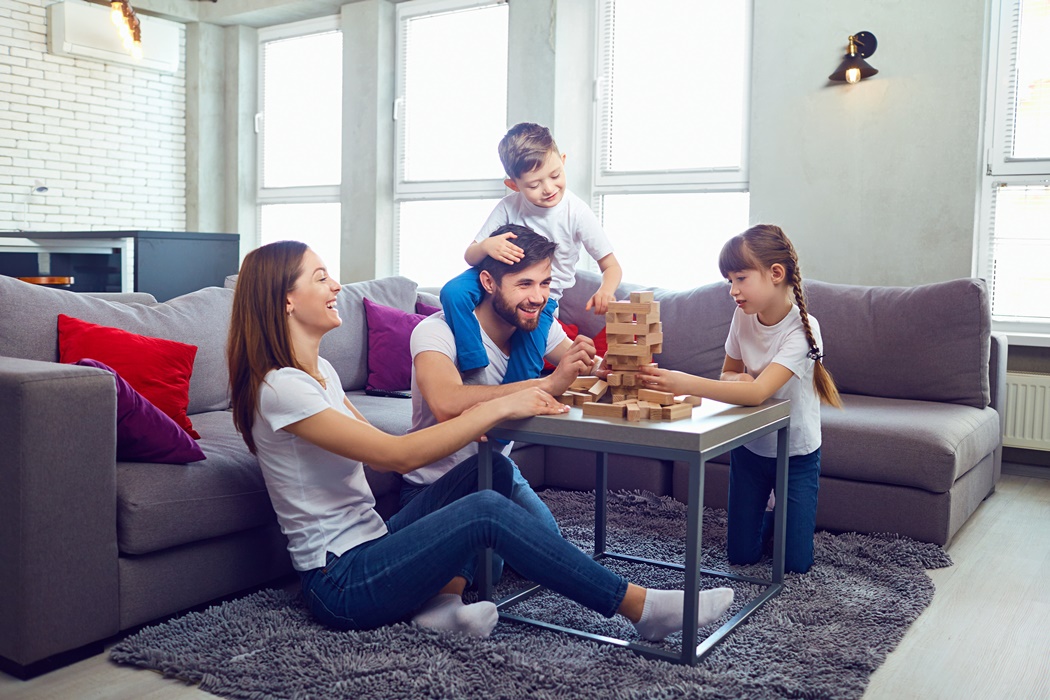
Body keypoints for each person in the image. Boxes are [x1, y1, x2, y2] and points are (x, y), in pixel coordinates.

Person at [227, 240, 735, 642]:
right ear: (286, 298)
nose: (337, 285)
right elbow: (397, 455)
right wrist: (497, 405)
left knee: (483, 472)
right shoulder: (281, 388)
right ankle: (641, 608)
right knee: (487, 511)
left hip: (372, 543)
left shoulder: (320, 374)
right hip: (338, 582)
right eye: (321, 278)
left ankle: (438, 607)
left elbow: (378, 442)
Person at [634, 225, 842, 574]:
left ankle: (784, 518)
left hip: (795, 453)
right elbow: (728, 374)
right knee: (741, 556)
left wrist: (683, 382)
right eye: (730, 280)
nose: (733, 290)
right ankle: (775, 518)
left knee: (794, 564)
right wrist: (737, 378)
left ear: (776, 274)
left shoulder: (803, 329)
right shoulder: (741, 317)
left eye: (740, 279)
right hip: (750, 448)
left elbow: (759, 392)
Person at [403, 225, 594, 552]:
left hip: (499, 472)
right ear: (489, 283)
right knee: (489, 559)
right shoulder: (436, 331)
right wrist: (547, 383)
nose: (537, 297)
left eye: (544, 283)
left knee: (547, 543)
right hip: (435, 486)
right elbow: (446, 402)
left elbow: (587, 369)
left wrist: (611, 366)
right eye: (524, 284)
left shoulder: (533, 326)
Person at [439, 122, 622, 383]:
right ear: (513, 185)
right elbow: (470, 255)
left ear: (563, 160)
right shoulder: (507, 206)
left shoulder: (577, 213)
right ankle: (474, 362)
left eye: (555, 175)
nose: (548, 188)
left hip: (540, 298)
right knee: (453, 292)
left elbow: (612, 266)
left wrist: (606, 289)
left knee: (527, 355)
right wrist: (486, 246)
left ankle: (517, 394)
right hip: (493, 281)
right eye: (534, 184)